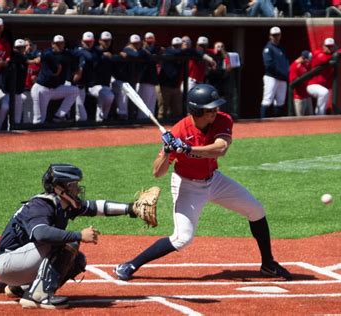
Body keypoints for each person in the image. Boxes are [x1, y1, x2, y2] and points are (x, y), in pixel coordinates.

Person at [115, 83, 292, 282]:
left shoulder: (222, 120)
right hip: (188, 185)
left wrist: (188, 149)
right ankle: (131, 264)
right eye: (211, 109)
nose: (217, 111)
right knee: (182, 239)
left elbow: (221, 148)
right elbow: (158, 172)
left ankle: (268, 264)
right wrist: (167, 150)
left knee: (256, 210)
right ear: (198, 111)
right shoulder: (179, 131)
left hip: (214, 180)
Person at [0, 163, 160, 309]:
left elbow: (96, 207)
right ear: (60, 188)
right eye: (73, 185)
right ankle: (37, 297)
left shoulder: (64, 204)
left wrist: (131, 208)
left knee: (77, 260)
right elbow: (41, 233)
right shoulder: (41, 205)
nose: (78, 189)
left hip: (22, 263)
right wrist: (79, 235)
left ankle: (21, 288)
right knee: (68, 243)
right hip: (8, 262)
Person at [31, 35, 79, 124]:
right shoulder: (47, 53)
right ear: (52, 44)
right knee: (39, 120)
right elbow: (48, 55)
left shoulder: (67, 54)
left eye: (61, 43)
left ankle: (59, 115)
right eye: (57, 44)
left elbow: (78, 54)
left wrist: (78, 68)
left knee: (74, 91)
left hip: (56, 88)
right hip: (42, 89)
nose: (59, 46)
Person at [306, 37, 341, 115]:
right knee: (324, 93)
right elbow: (323, 59)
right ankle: (320, 117)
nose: (329, 48)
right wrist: (338, 54)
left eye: (331, 46)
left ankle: (318, 117)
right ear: (323, 46)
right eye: (327, 46)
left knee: (324, 98)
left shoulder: (333, 53)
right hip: (312, 85)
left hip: (325, 86)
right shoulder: (318, 53)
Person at [0, 39, 29, 131]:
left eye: (22, 48)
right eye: (18, 48)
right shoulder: (10, 58)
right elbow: (13, 58)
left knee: (16, 118)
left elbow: (25, 59)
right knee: (5, 107)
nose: (20, 50)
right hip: (5, 91)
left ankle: (13, 134)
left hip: (17, 92)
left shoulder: (24, 60)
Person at [260, 26, 289, 118]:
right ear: (270, 36)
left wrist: (285, 73)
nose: (276, 37)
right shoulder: (268, 48)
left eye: (277, 35)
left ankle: (277, 124)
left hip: (282, 78)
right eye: (274, 35)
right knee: (267, 100)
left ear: (280, 35)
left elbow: (286, 62)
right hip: (271, 77)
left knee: (281, 101)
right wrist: (282, 73)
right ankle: (262, 122)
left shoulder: (282, 48)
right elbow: (269, 65)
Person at [91, 31, 115, 122]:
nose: (107, 43)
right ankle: (100, 118)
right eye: (104, 41)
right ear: (100, 41)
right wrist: (102, 55)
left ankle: (103, 118)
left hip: (105, 84)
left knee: (108, 94)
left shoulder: (110, 52)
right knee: (106, 94)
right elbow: (92, 59)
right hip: (92, 85)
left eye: (108, 41)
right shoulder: (95, 50)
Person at [289, 50, 313, 116]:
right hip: (299, 97)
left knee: (311, 118)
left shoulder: (306, 64)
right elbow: (293, 82)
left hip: (307, 95)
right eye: (307, 60)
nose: (308, 62)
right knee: (300, 119)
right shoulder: (294, 66)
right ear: (302, 58)